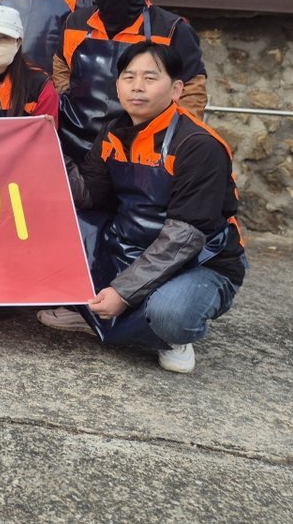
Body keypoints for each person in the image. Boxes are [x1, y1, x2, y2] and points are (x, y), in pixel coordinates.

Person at [40, 41, 246, 374]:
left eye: (150, 78)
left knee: (170, 314)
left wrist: (123, 292)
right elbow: (88, 195)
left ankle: (171, 336)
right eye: (128, 77)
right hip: (129, 247)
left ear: (176, 89)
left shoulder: (198, 146)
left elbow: (185, 236)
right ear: (117, 85)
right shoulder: (113, 132)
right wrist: (48, 148)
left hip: (198, 261)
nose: (137, 86)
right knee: (54, 226)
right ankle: (91, 313)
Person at [55, 0, 207, 162]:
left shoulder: (172, 29)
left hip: (141, 150)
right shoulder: (75, 22)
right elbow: (60, 67)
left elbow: (191, 91)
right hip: (72, 144)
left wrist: (177, 145)